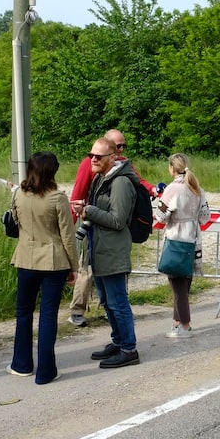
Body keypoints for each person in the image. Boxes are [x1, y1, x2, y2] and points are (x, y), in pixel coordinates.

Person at [66, 128, 156, 327]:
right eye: (118, 146)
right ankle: (78, 310)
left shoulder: (123, 172)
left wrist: (154, 190)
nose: (121, 149)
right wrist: (72, 223)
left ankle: (125, 346)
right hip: (94, 233)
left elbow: (119, 217)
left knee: (115, 299)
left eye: (123, 146)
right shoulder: (90, 166)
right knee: (87, 273)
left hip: (110, 241)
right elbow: (78, 192)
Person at [8, 152, 79, 384]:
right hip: (53, 259)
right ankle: (46, 371)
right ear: (53, 172)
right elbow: (67, 235)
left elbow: (16, 222)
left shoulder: (19, 193)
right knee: (48, 315)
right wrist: (74, 266)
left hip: (25, 257)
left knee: (23, 312)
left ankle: (21, 364)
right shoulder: (57, 198)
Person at [77, 137, 143, 368]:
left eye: (98, 156)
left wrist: (89, 210)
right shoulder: (101, 178)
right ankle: (118, 341)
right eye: (91, 155)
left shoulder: (121, 182)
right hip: (101, 248)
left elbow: (118, 220)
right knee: (106, 300)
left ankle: (129, 349)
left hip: (113, 250)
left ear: (113, 157)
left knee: (117, 302)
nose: (92, 159)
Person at [154, 153, 211, 338]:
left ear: (172, 168)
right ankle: (177, 322)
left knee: (177, 286)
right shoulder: (197, 188)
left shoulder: (172, 189)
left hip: (176, 238)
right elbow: (205, 217)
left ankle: (185, 326)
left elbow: (161, 217)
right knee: (184, 284)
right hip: (193, 240)